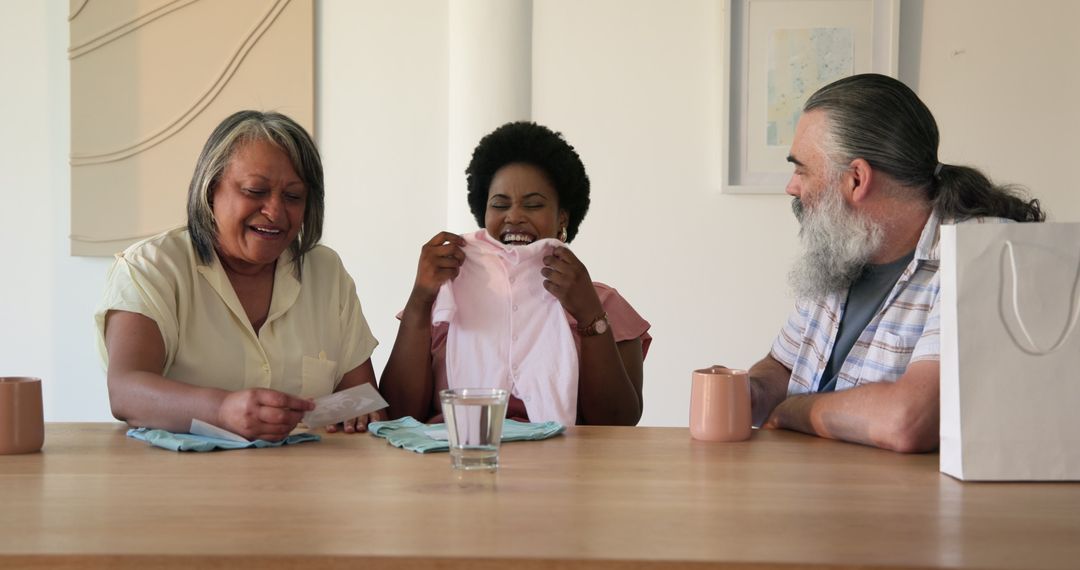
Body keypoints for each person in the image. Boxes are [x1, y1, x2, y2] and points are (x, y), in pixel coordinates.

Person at [742, 74, 1044, 452]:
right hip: (816, 494)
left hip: (915, 507)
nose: (792, 186)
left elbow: (909, 420)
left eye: (802, 169)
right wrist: (750, 391)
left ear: (857, 179)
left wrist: (791, 412)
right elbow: (782, 365)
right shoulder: (841, 248)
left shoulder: (983, 251)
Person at [96, 110, 384, 441]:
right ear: (210, 188)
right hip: (178, 484)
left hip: (306, 482)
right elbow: (126, 392)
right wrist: (221, 410)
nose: (274, 212)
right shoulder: (151, 268)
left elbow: (361, 397)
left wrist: (358, 410)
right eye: (255, 190)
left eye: (293, 196)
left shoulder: (326, 271)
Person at [380, 121, 651, 426]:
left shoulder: (603, 302)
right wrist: (420, 301)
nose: (514, 216)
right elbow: (399, 415)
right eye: (500, 204)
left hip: (565, 468)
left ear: (562, 217)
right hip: (460, 460)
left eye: (533, 205)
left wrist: (590, 315)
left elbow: (619, 424)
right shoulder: (446, 292)